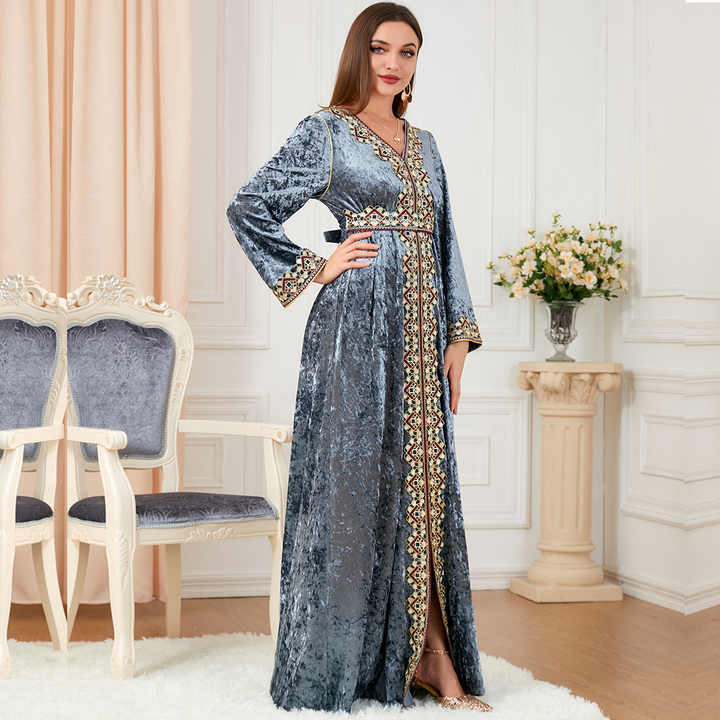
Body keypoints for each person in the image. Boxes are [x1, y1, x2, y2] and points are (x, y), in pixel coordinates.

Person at [226, 2, 492, 713]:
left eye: (407, 51)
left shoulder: (426, 144)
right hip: (353, 331)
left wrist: (458, 337)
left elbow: (445, 238)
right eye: (380, 48)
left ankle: (434, 654)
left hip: (423, 332)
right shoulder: (327, 131)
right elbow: (248, 207)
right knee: (352, 491)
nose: (393, 63)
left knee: (425, 487)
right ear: (358, 52)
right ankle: (339, 664)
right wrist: (315, 266)